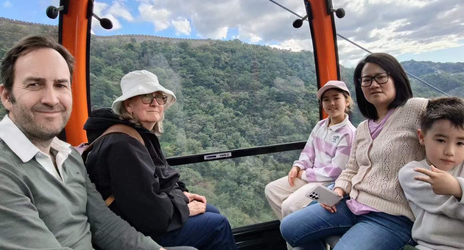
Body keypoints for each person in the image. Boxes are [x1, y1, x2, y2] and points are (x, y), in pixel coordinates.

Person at [0, 36, 194, 250]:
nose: (51, 99)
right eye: (34, 84)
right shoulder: (6, 169)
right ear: (7, 96)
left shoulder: (68, 157)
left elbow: (104, 224)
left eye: (60, 85)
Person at [280, 52, 429, 250]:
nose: (374, 84)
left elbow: (457, 127)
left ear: (396, 78)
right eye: (366, 80)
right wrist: (338, 191)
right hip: (352, 203)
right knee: (289, 227)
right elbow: (351, 168)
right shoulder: (363, 128)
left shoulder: (415, 109)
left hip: (390, 216)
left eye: (381, 77)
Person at [83, 70, 237, 250]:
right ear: (129, 105)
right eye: (146, 97)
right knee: (218, 225)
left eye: (159, 97)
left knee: (210, 210)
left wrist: (182, 195)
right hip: (137, 231)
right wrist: (184, 207)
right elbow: (151, 214)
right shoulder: (123, 145)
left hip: (147, 216)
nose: (155, 103)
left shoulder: (139, 135)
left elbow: (164, 178)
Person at [265, 80, 356, 220]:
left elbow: (335, 172)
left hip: (328, 183)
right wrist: (298, 167)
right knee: (272, 190)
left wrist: (304, 175)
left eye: (336, 98)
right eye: (326, 99)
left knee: (289, 206)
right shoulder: (320, 126)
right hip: (311, 176)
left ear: (347, 101)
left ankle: (295, 235)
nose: (331, 103)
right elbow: (308, 152)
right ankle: (294, 232)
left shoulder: (348, 134)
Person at [399, 97, 464, 250]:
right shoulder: (412, 173)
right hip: (428, 246)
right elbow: (448, 205)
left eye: (460, 143)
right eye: (441, 140)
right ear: (422, 137)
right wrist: (458, 190)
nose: (450, 151)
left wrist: (458, 188)